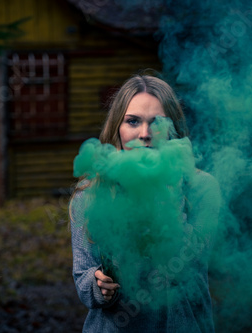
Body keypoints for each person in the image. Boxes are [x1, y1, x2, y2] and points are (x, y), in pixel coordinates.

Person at [69, 73, 221, 332]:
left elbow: (189, 262)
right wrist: (99, 288)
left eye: (158, 122)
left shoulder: (202, 188)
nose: (145, 134)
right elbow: (83, 276)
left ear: (173, 128)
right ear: (118, 126)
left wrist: (166, 192)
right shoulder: (91, 194)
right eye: (133, 121)